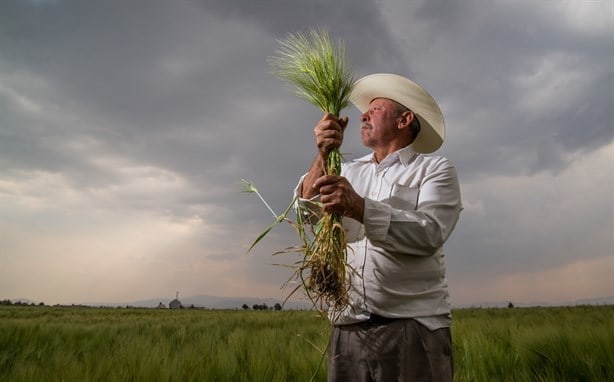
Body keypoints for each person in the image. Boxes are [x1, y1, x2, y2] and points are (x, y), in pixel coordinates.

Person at [296, 73, 462, 382]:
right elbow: (306, 212)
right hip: (347, 328)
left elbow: (429, 233)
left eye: (376, 109)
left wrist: (359, 208)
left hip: (412, 328)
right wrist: (323, 153)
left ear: (404, 119)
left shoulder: (434, 169)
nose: (363, 115)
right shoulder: (348, 170)